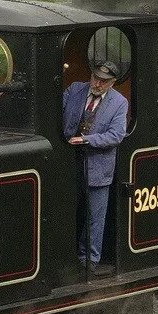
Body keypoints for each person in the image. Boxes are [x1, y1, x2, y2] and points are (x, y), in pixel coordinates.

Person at [62, 61, 128, 276]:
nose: (98, 84)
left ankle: (89, 260)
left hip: (98, 165)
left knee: (95, 216)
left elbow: (116, 135)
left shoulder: (119, 103)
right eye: (96, 78)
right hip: (69, 162)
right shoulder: (74, 90)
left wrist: (86, 140)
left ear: (113, 83)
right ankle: (66, 256)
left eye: (104, 81)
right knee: (67, 211)